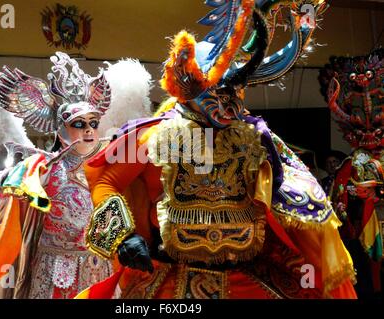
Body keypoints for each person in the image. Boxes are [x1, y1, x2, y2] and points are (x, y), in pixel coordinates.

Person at [82, 0, 357, 299]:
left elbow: (284, 196)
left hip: (247, 273)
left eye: (235, 94)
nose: (229, 107)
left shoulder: (253, 136)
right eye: (218, 93)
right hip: (174, 277)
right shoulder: (153, 136)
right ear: (190, 87)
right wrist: (123, 236)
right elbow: (106, 182)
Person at [0, 52, 151, 299]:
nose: (90, 131)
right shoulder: (44, 170)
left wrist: (126, 241)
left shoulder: (103, 170)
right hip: (54, 276)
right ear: (61, 130)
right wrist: (13, 176)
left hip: (97, 273)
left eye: (93, 123)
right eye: (79, 124)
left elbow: (108, 220)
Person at [319, 48, 384, 298]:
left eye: (376, 130)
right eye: (358, 130)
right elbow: (339, 201)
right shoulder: (349, 164)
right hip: (358, 235)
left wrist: (376, 192)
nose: (367, 134)